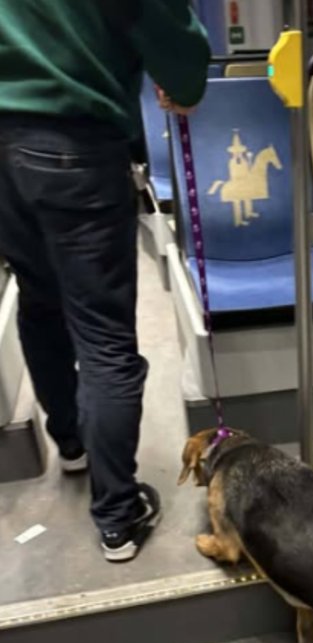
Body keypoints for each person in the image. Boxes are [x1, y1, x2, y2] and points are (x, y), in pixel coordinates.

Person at [0, 2, 211, 562]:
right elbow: (179, 49)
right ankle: (118, 514)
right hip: (73, 144)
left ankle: (71, 443)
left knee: (38, 299)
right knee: (104, 337)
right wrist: (181, 82)